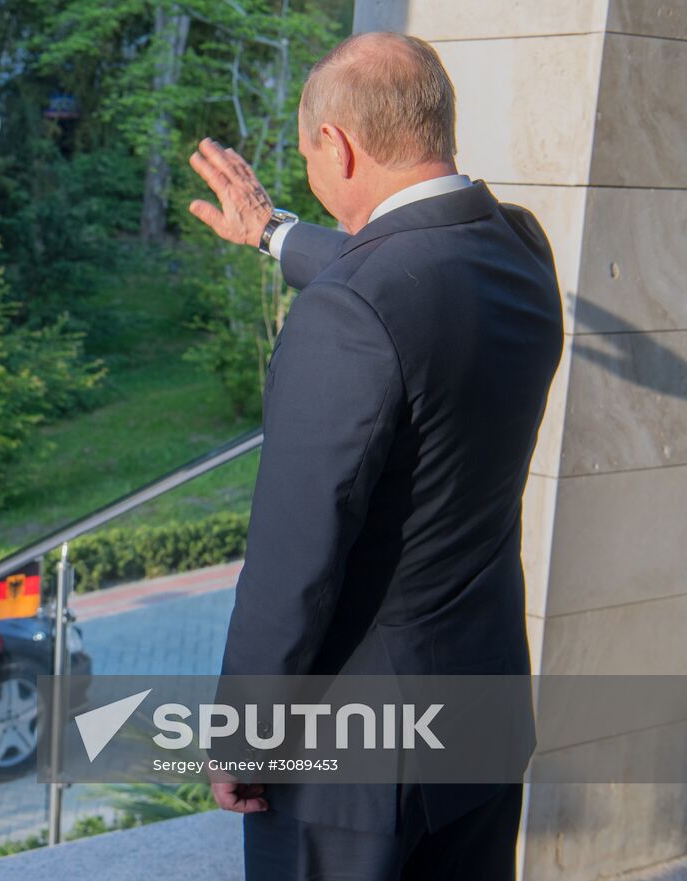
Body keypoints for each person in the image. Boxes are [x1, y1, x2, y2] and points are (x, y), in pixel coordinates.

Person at [187, 32, 563, 879]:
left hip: (359, 768)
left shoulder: (350, 314)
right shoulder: (519, 250)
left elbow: (294, 559)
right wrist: (272, 233)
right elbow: (404, 268)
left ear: (338, 145)